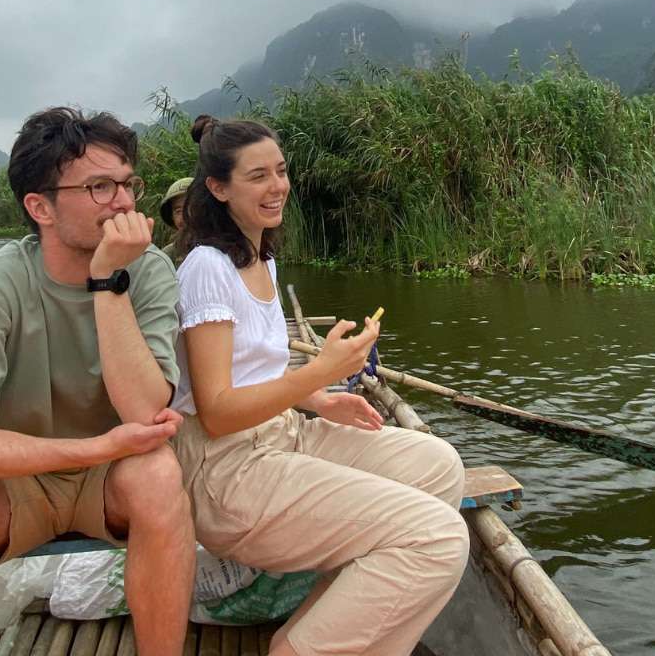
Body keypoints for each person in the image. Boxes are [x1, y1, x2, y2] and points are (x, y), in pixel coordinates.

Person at [0, 107, 195, 656]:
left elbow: (145, 413)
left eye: (128, 184)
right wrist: (91, 447)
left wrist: (108, 281)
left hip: (111, 477)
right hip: (16, 484)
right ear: (40, 206)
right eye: (100, 186)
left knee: (157, 474)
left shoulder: (148, 270)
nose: (125, 203)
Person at [171, 116, 469, 656]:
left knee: (440, 465)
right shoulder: (206, 269)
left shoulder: (260, 256)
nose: (276, 186)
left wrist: (318, 398)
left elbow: (252, 372)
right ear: (218, 188)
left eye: (280, 172)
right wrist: (320, 371)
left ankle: (312, 636)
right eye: (257, 176)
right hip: (228, 472)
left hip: (281, 436)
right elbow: (214, 411)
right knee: (439, 538)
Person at [159, 175, 193, 263]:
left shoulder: (227, 250)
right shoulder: (166, 258)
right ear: (172, 218)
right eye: (179, 211)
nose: (186, 216)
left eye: (193, 208)